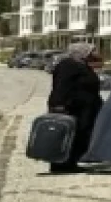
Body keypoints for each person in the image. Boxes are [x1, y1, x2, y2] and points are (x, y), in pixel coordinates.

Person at [45, 42, 105, 174]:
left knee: (80, 136)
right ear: (81, 52)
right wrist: (60, 105)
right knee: (69, 135)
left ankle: (70, 162)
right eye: (90, 51)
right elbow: (61, 87)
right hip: (71, 109)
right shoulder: (68, 65)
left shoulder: (81, 64)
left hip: (83, 109)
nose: (92, 54)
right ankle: (62, 164)